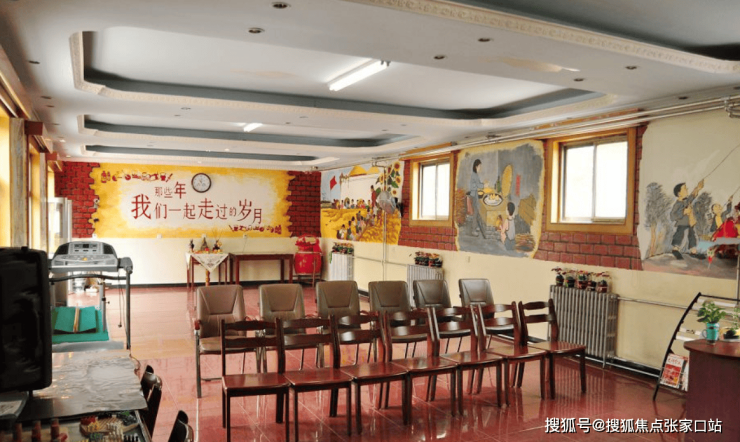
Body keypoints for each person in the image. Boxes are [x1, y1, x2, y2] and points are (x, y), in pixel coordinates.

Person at [670, 180, 704, 259]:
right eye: (685, 189)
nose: (687, 190)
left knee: (692, 236)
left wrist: (698, 188)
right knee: (679, 235)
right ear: (679, 194)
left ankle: (693, 252)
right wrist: (683, 212)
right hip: (682, 224)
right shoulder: (677, 204)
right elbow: (672, 216)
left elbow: (692, 197)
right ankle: (675, 249)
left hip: (689, 223)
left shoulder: (686, 201)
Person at [468, 159, 488, 238]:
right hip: (473, 196)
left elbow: (478, 184)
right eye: (479, 166)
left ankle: (475, 227)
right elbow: (474, 186)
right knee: (475, 213)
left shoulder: (475, 175)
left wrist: (483, 184)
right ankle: (473, 230)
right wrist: (483, 185)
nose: (480, 168)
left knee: (477, 212)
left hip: (475, 195)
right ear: (476, 166)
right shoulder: (474, 175)